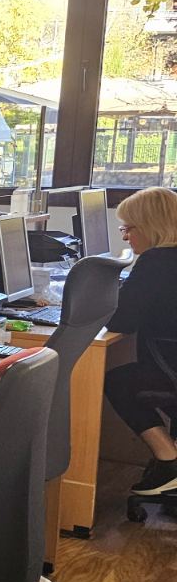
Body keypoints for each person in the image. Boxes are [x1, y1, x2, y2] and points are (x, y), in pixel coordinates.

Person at [104, 187, 177, 495]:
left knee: (117, 381)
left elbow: (121, 322)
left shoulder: (157, 261)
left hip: (170, 370)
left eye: (128, 228)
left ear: (150, 227)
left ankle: (168, 458)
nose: (125, 237)